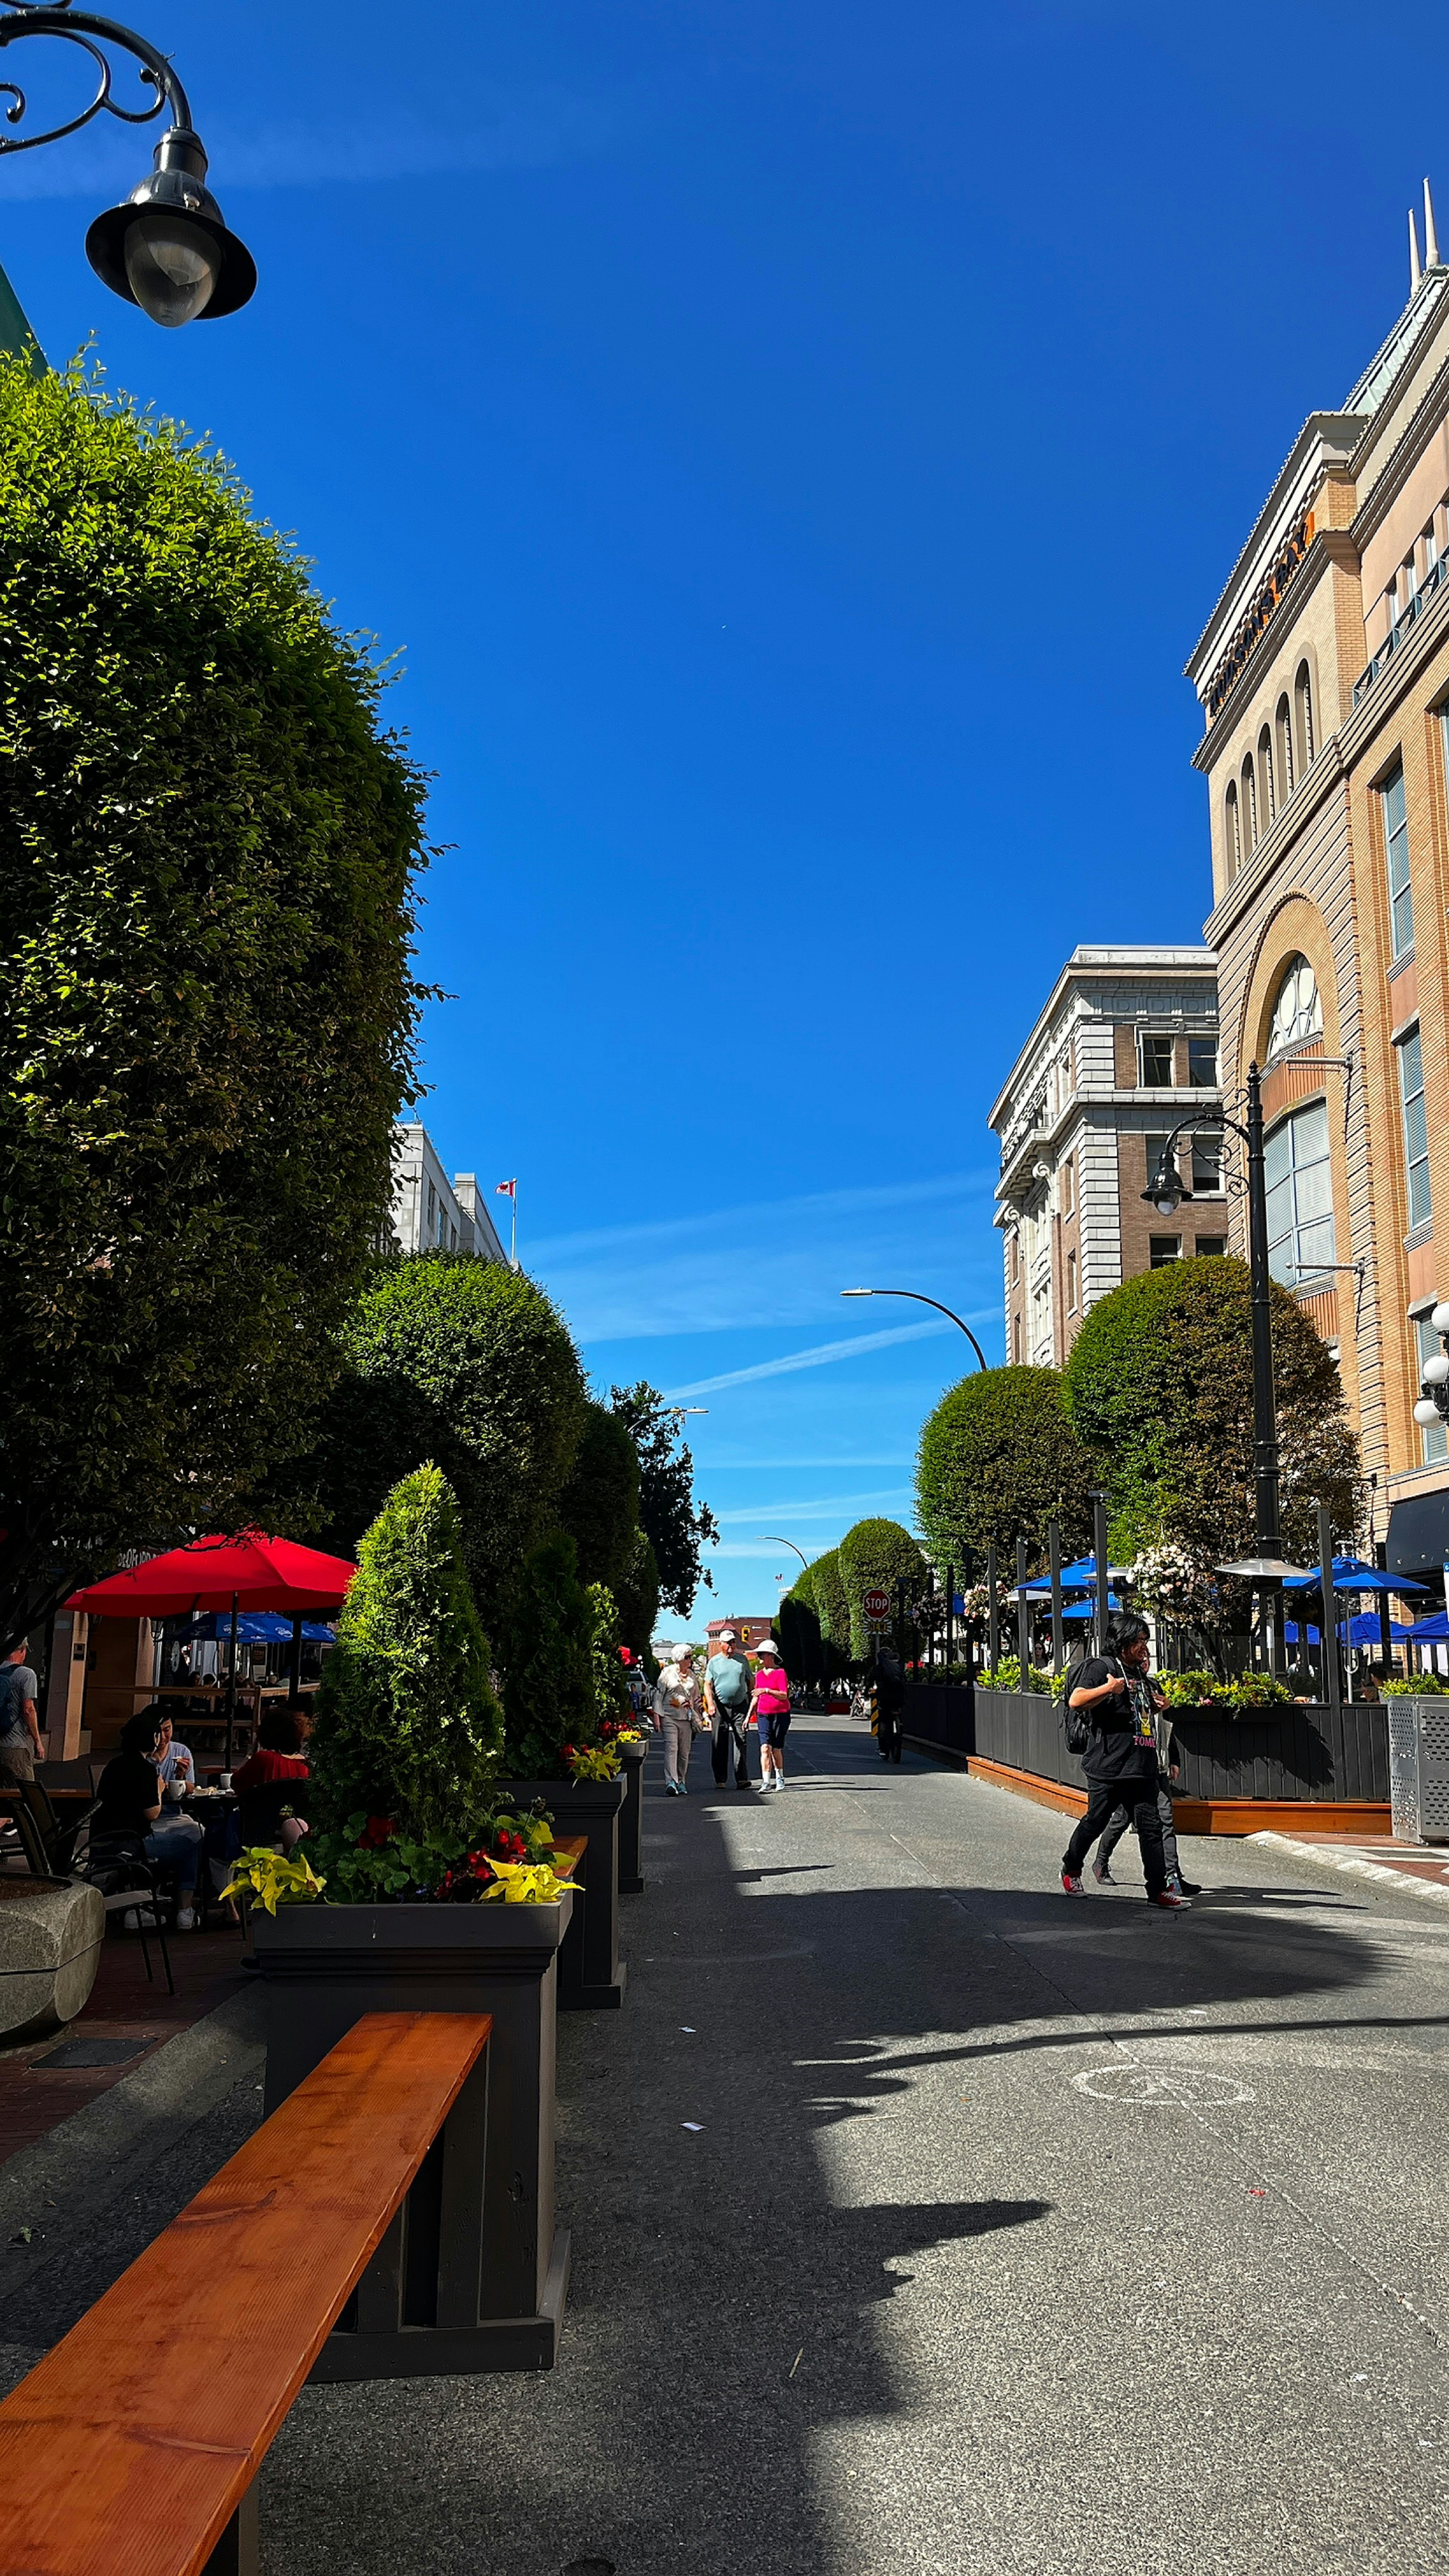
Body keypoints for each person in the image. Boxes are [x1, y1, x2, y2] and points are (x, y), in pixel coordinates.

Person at [1059, 1618, 1189, 1910]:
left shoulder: (1139, 1675)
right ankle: (1071, 1867)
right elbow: (1076, 1700)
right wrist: (1109, 1689)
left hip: (1141, 1765)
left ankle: (1157, 1889)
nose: (1145, 1646)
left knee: (1151, 1827)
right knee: (1096, 1821)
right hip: (1109, 1765)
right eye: (1139, 1640)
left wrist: (1158, 1706)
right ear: (1123, 1641)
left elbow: (1141, 1713)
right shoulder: (1101, 1667)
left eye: (1146, 1639)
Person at [94, 1706, 204, 1929]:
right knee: (190, 1845)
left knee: (176, 1842)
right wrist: (159, 1790)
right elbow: (152, 1814)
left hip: (101, 1841)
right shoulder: (144, 1769)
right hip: (132, 1842)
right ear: (151, 1738)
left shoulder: (115, 1765)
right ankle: (183, 1911)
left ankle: (141, 1907)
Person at [1091, 1686, 1201, 1897]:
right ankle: (1101, 1861)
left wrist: (1174, 1760)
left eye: (1145, 1660)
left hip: (1159, 1768)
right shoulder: (1128, 1691)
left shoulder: (1155, 1689)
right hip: (1138, 1769)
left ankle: (1173, 1876)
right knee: (1121, 1820)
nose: (1143, 1663)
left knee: (1166, 1820)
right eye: (1139, 1659)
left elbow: (1166, 1729)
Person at [231, 1701, 312, 1849]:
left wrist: (251, 1753)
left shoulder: (263, 1759)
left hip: (256, 1831)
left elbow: (236, 1784)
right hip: (294, 1829)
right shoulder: (304, 1767)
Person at [704, 1629, 754, 1788]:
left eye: (733, 1642)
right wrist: (711, 1704)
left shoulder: (742, 1660)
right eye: (728, 1643)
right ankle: (721, 1779)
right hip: (720, 1707)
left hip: (740, 1705)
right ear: (721, 1645)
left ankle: (742, 1779)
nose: (732, 1645)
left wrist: (752, 1701)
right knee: (719, 1742)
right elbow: (707, 1685)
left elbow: (750, 1681)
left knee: (741, 1740)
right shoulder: (714, 1662)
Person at [654, 1649, 702, 1795]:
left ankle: (682, 1781)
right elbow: (659, 1695)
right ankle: (671, 1782)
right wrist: (657, 1716)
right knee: (672, 1749)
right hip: (669, 1717)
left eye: (691, 1657)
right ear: (680, 1658)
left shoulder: (692, 1675)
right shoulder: (667, 1673)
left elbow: (697, 1697)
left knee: (684, 1752)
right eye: (688, 1657)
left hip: (686, 1719)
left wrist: (703, 1714)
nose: (690, 1660)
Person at [750, 1639, 792, 1791]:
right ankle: (766, 1782)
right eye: (759, 1655)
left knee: (776, 1749)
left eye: (762, 1654)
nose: (760, 1658)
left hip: (781, 1714)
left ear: (771, 1656)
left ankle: (780, 1778)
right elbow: (756, 1696)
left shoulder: (781, 1673)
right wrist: (749, 1715)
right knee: (764, 1748)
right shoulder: (760, 1675)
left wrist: (767, 1690)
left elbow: (784, 1695)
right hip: (763, 1714)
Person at [0, 1642, 42, 1786]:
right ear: (23, 1650)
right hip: (15, 1744)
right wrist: (38, 1742)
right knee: (24, 1791)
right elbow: (28, 1710)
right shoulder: (26, 1674)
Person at [871, 1641, 905, 1763]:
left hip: (885, 1698)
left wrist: (867, 1692)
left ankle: (884, 1749)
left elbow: (870, 1681)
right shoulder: (897, 1666)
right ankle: (900, 1726)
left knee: (883, 1722)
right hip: (899, 1696)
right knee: (899, 1712)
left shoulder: (880, 1668)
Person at [152, 1711, 196, 1800]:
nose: (162, 1737)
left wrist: (180, 1780)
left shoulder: (182, 1752)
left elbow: (193, 1790)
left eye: (167, 1730)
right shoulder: (140, 1755)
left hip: (175, 1812)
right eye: (156, 1732)